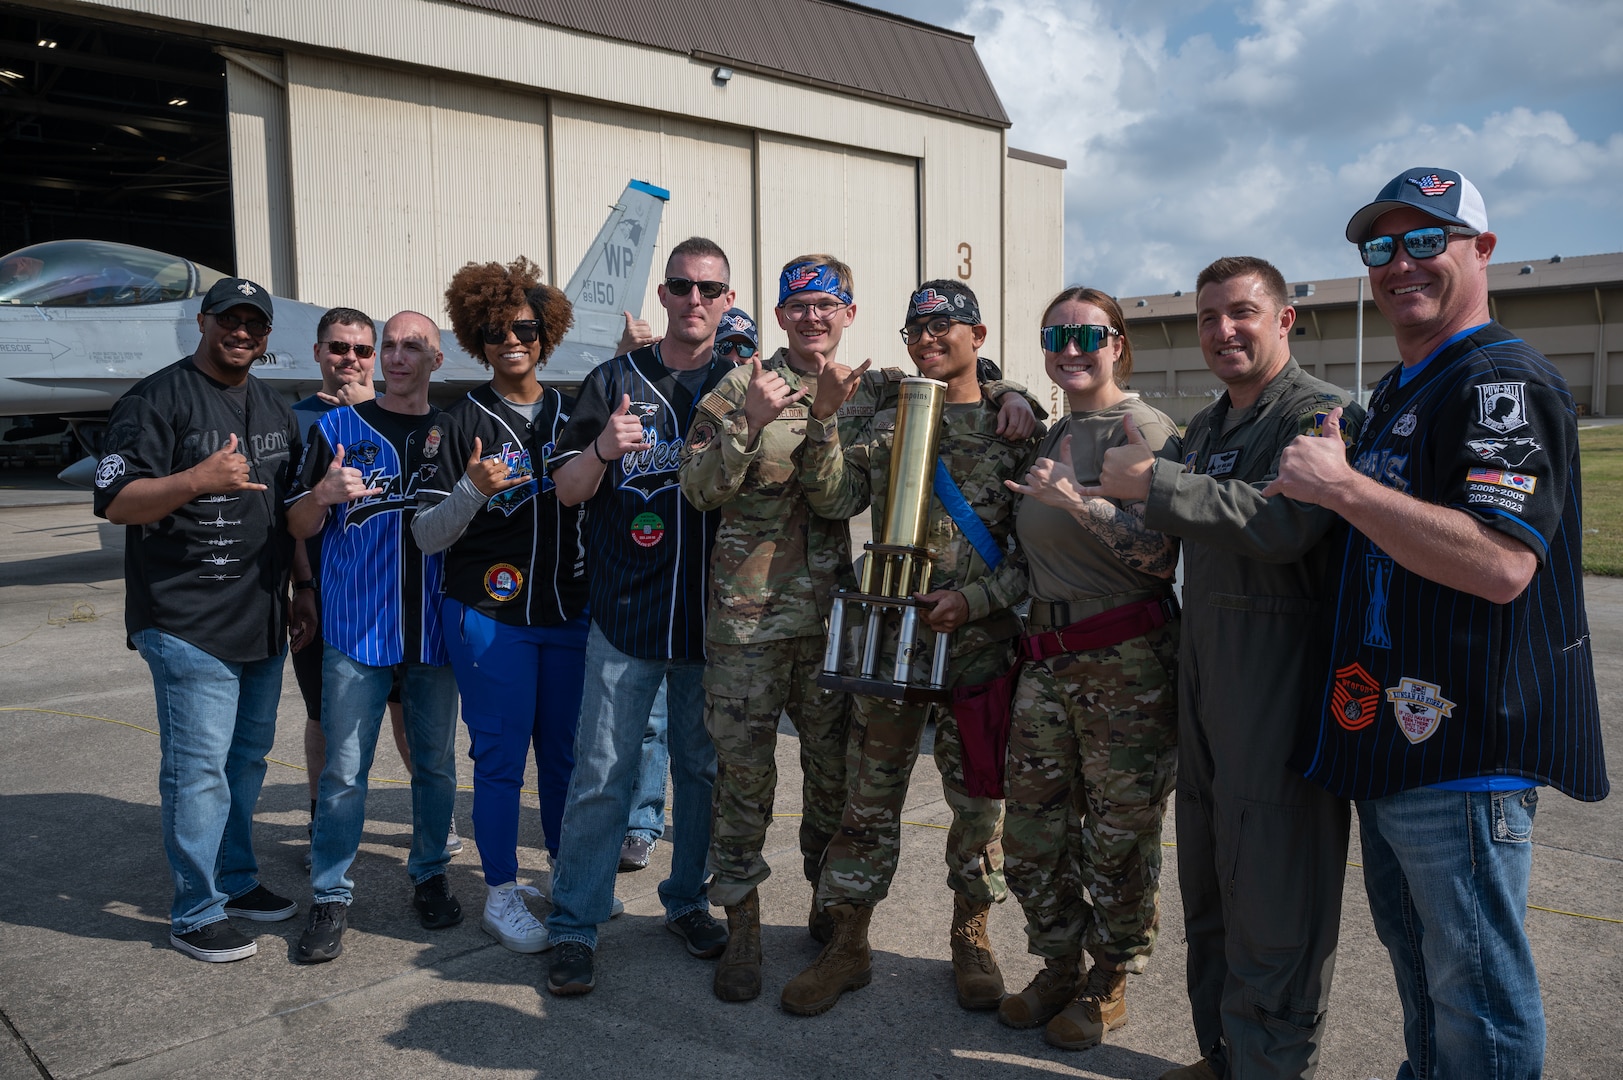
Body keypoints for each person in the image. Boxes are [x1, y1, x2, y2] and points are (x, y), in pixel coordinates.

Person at [1266, 167, 1607, 1080]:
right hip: (1394, 744)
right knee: (1426, 978)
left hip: (1462, 751)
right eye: (1380, 247)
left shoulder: (1499, 381)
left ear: (1481, 251)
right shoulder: (1410, 386)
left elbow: (1501, 564)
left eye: (1427, 240)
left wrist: (1343, 488)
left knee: (1477, 994)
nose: (1399, 264)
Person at [1079, 256, 1364, 1079]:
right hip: (1205, 686)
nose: (1222, 330)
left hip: (1277, 691)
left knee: (1276, 898)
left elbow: (1284, 528)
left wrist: (1157, 483)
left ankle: (1272, 1067)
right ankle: (1225, 1054)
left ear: (1284, 322)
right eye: (1208, 317)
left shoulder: (1320, 417)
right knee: (1209, 889)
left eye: (1241, 312)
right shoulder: (1209, 429)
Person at [781, 279, 1043, 1016]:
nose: (927, 337)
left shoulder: (1018, 423)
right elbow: (836, 500)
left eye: (943, 325)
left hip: (977, 644)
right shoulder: (889, 410)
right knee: (868, 800)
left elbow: (1040, 547)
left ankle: (970, 932)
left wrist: (977, 601)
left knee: (976, 806)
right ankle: (849, 942)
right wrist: (827, 425)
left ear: (978, 335)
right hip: (891, 642)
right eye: (914, 328)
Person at [542, 236, 740, 995]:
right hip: (626, 615)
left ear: (726, 300)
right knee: (601, 773)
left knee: (699, 772)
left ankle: (685, 900)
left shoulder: (740, 383)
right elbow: (566, 490)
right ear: (661, 295)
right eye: (682, 287)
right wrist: (600, 446)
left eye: (709, 289)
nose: (695, 301)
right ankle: (575, 920)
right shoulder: (612, 381)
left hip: (711, 625)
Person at [92, 276, 303, 962]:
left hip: (263, 618)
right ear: (202, 323)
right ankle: (194, 910)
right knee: (198, 771)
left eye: (254, 324)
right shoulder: (156, 399)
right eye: (228, 320)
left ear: (267, 335)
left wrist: (302, 590)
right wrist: (194, 481)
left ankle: (236, 881)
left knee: (244, 764)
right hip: (186, 619)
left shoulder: (274, 406)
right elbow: (117, 500)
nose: (241, 332)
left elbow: (288, 514)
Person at [999, 288, 1181, 1050]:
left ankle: (1109, 976)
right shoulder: (1048, 430)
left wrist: (1080, 505)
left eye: (1085, 334)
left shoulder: (1144, 430)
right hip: (1045, 661)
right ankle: (1056, 963)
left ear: (1117, 342)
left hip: (1123, 667)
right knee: (1032, 834)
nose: (1069, 349)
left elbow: (1160, 554)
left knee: (1117, 837)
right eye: (1054, 335)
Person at [412, 258, 595, 953]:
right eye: (493, 331)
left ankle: (565, 877)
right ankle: (499, 892)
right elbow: (425, 534)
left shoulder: (577, 412)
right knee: (497, 760)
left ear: (545, 334)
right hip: (489, 618)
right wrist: (472, 490)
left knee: (564, 759)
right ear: (475, 339)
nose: (509, 340)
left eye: (523, 327)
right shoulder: (457, 424)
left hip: (569, 614)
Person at [285, 310, 463, 962]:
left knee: (436, 768)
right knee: (342, 772)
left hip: (434, 633)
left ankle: (430, 873)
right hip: (356, 630)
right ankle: (330, 893)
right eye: (387, 345)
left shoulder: (457, 427)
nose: (394, 355)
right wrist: (323, 494)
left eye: (411, 345)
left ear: (435, 359)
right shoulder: (336, 429)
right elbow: (297, 524)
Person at [619, 311, 759, 875]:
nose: (733, 356)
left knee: (701, 746)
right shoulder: (686, 398)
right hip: (653, 592)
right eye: (725, 346)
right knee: (649, 729)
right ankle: (642, 823)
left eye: (742, 348)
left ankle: (692, 880)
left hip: (723, 601)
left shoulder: (759, 402)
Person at [287, 309, 427, 865]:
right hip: (326, 599)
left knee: (409, 714)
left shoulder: (403, 418)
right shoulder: (298, 420)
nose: (351, 359)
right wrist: (302, 588)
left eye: (362, 350)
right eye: (338, 348)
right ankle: (324, 820)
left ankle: (429, 821)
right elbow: (288, 516)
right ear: (318, 353)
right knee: (326, 717)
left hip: (398, 602)